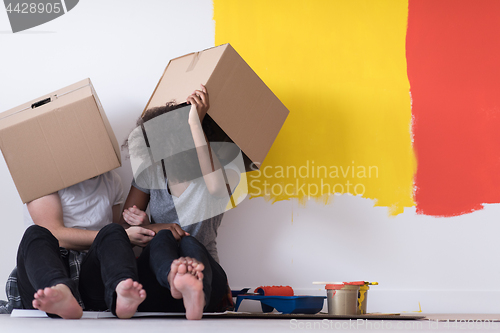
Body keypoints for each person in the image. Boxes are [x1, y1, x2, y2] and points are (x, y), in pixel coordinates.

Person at [120, 84, 241, 320]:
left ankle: (194, 291)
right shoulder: (151, 172)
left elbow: (216, 188)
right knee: (165, 237)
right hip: (157, 280)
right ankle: (177, 281)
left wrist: (194, 122)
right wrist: (147, 227)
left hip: (206, 276)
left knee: (189, 243)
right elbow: (122, 228)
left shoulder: (224, 171)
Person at [11, 171, 153, 319]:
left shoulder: (112, 180)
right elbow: (55, 233)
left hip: (90, 274)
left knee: (114, 230)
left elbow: (108, 239)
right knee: (34, 233)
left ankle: (122, 290)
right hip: (48, 268)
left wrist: (133, 229)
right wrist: (125, 235)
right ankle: (59, 292)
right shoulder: (41, 175)